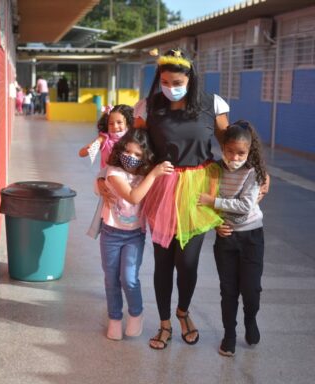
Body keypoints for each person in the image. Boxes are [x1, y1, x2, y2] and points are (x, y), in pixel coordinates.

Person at [99, 48, 230, 350]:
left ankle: (183, 311)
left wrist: (258, 173)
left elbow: (233, 149)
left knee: (188, 263)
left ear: (190, 78)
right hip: (161, 187)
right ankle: (164, 323)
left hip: (197, 191)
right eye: (166, 81)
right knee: (163, 263)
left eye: (177, 81)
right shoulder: (148, 107)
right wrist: (104, 177)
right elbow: (131, 149)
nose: (171, 87)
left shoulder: (214, 104)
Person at [198, 120, 267, 357]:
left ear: (249, 151)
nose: (235, 157)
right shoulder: (215, 170)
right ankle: (229, 335)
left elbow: (246, 206)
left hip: (251, 237)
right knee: (228, 290)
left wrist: (213, 202)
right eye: (230, 151)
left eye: (241, 153)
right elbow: (201, 203)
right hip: (226, 239)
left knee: (251, 289)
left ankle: (250, 319)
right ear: (223, 148)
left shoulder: (253, 172)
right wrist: (216, 223)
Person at [99, 128, 174, 340]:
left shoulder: (145, 174)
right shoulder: (114, 171)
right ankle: (114, 318)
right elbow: (133, 197)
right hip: (110, 233)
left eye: (138, 155)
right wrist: (154, 173)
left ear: (145, 156)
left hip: (134, 236)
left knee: (129, 278)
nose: (131, 157)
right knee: (111, 278)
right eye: (128, 151)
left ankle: (136, 313)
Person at [79, 104, 132, 169]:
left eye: (119, 122)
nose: (115, 126)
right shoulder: (104, 139)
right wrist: (90, 149)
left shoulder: (131, 138)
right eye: (111, 123)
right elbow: (82, 153)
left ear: (127, 123)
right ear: (106, 125)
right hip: (106, 177)